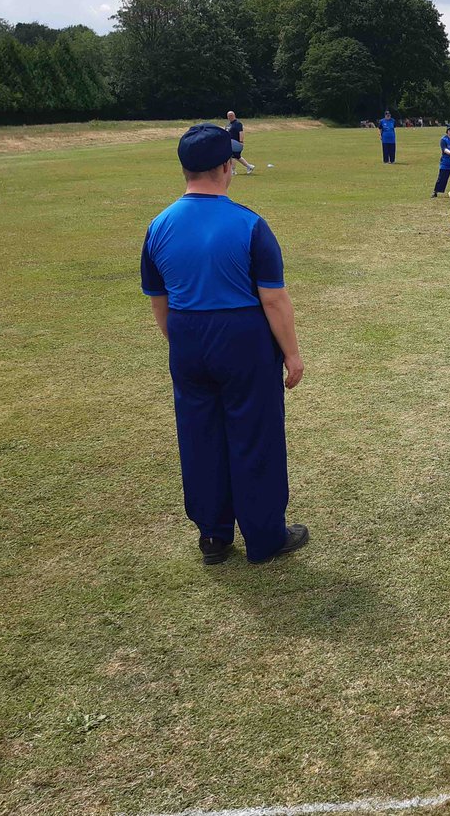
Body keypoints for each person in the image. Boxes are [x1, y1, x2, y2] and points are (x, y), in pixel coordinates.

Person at [140, 124, 308, 565]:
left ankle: (213, 535)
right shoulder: (249, 224)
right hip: (242, 337)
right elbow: (273, 299)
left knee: (199, 434)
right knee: (254, 433)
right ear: (225, 167)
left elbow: (159, 299)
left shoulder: (158, 225)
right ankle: (264, 534)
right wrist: (291, 354)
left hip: (187, 336)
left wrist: (179, 341)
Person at [225, 110, 255, 175]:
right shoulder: (229, 124)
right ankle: (249, 166)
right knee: (237, 156)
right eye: (228, 116)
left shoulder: (237, 124)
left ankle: (233, 171)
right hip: (229, 143)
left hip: (236, 143)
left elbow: (240, 133)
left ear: (233, 116)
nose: (229, 117)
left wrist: (241, 141)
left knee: (233, 156)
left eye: (230, 116)